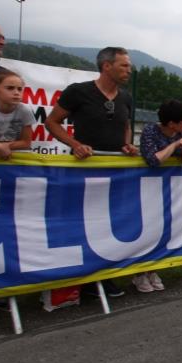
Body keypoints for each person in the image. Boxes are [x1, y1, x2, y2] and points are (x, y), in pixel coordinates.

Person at [46, 46, 139, 298]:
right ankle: (77, 279)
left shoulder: (126, 97)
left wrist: (126, 144)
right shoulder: (78, 91)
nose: (129, 70)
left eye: (129, 66)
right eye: (124, 65)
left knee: (109, 224)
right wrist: (75, 144)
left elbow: (126, 126)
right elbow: (52, 122)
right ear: (106, 66)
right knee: (81, 223)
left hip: (114, 171)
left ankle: (103, 277)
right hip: (83, 171)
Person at [133, 99, 182, 293]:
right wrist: (175, 144)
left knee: (162, 229)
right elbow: (153, 160)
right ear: (171, 124)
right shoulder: (150, 131)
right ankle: (139, 272)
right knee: (144, 230)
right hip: (145, 187)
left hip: (169, 189)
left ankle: (153, 269)